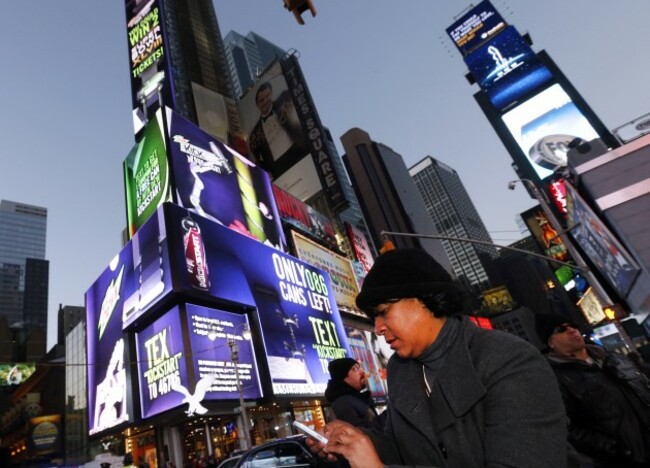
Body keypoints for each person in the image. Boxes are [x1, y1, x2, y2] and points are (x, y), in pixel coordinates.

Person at [309, 248, 568, 468]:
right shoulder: (401, 370)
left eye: (384, 312)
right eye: (373, 318)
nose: (378, 328)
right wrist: (354, 440)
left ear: (425, 298)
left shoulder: (511, 360)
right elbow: (403, 449)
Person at [536, 313, 650, 467]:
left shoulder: (615, 359)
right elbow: (570, 430)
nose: (571, 330)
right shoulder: (556, 381)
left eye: (573, 325)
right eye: (561, 329)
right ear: (550, 342)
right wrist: (618, 451)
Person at [248, 81, 307, 174]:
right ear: (257, 105)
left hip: (299, 153)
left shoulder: (282, 100)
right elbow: (257, 160)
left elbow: (294, 88)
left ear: (271, 94)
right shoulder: (254, 133)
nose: (265, 101)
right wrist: (270, 171)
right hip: (279, 169)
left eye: (267, 96)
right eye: (261, 100)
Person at [325, 357, 379, 429]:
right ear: (342, 376)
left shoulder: (355, 399)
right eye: (355, 369)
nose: (362, 372)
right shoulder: (343, 403)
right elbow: (362, 434)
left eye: (360, 368)